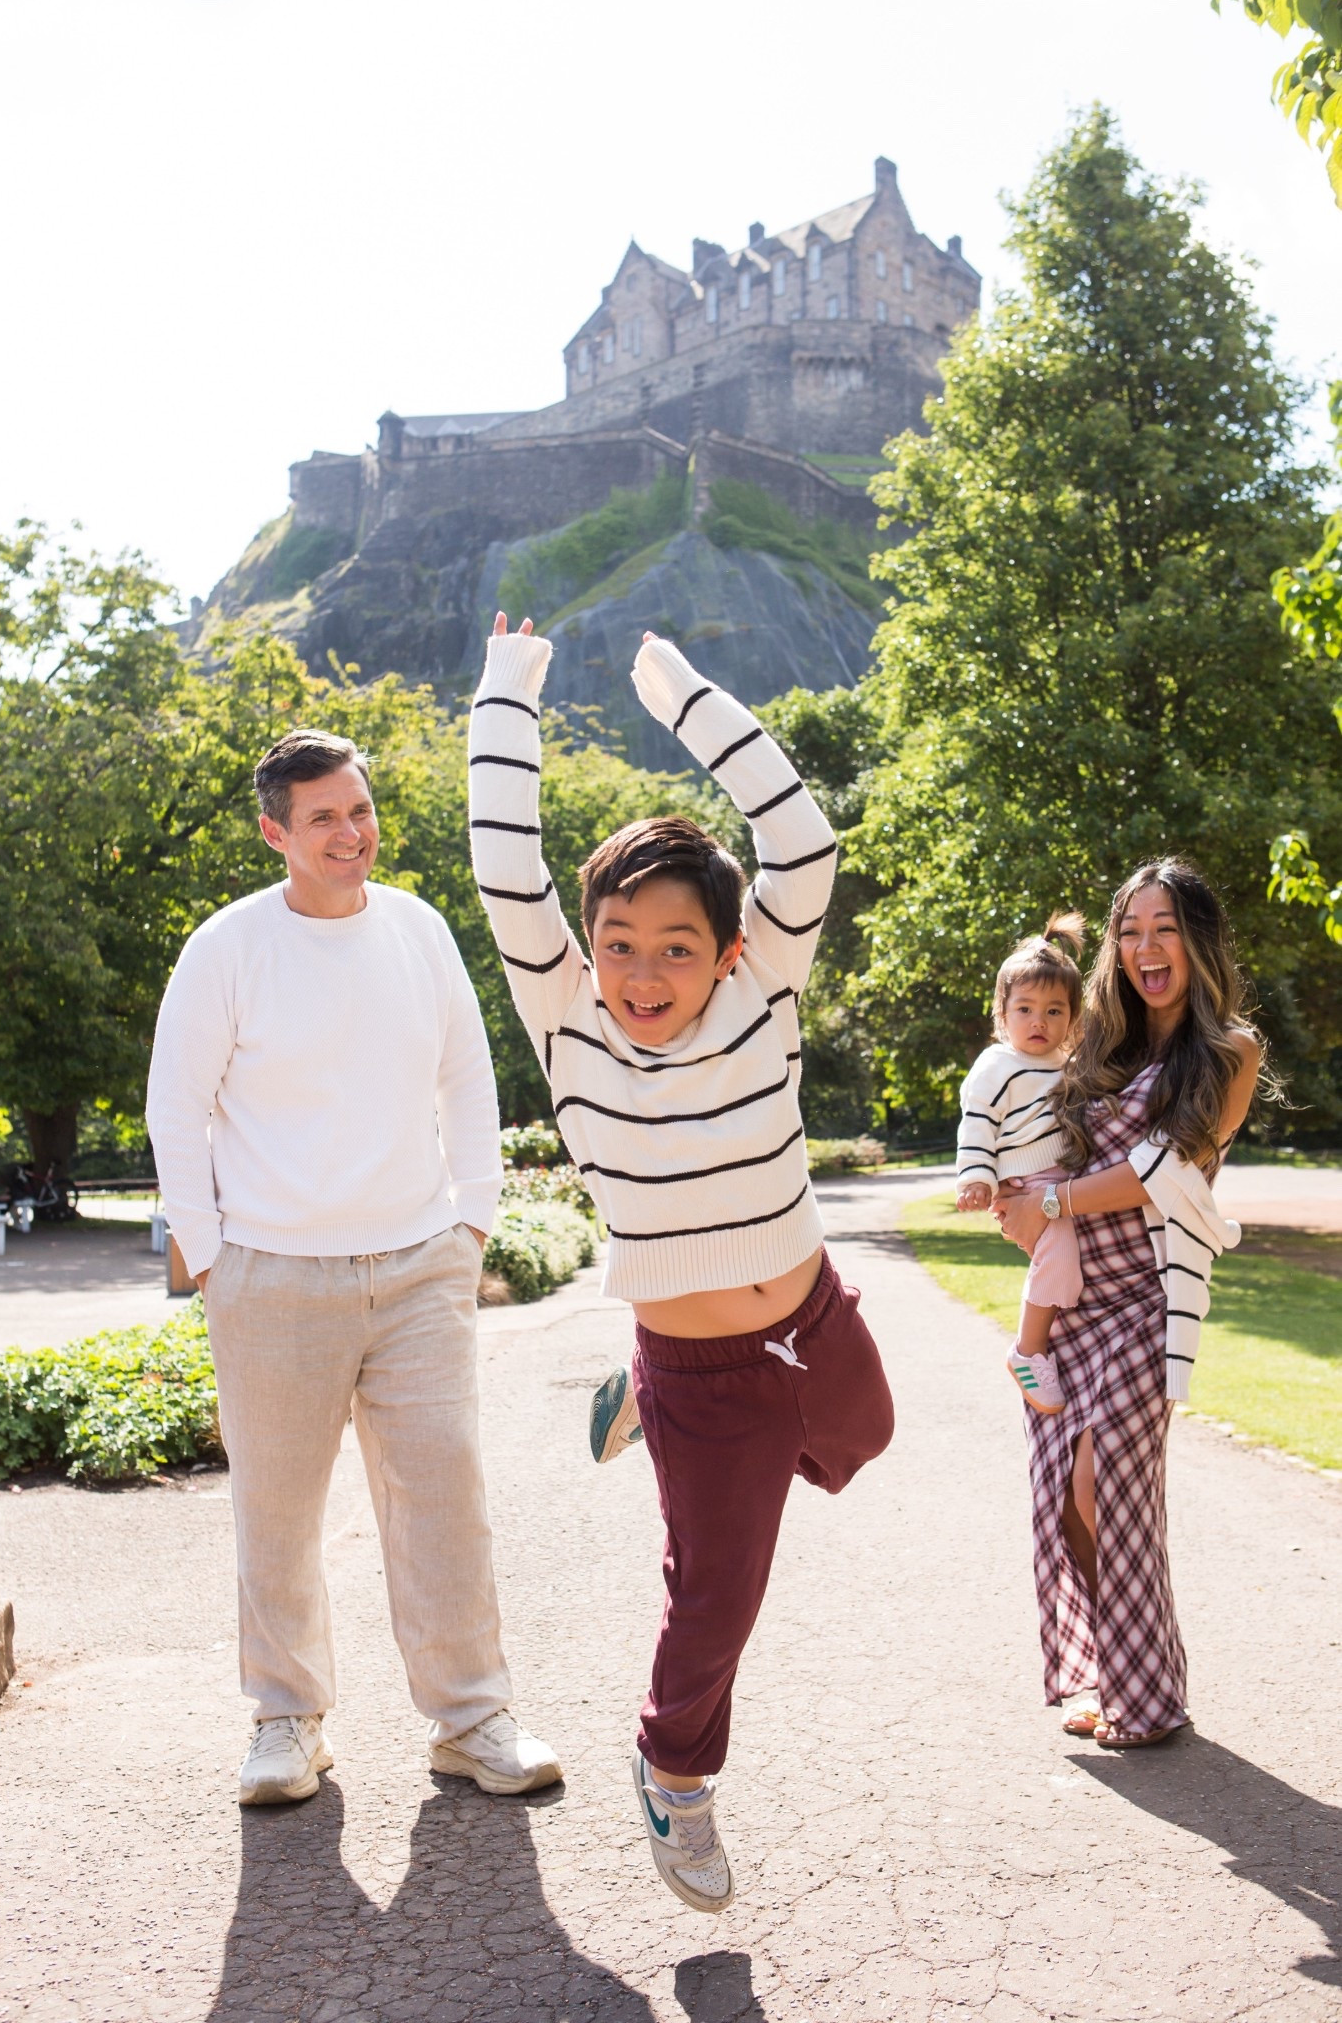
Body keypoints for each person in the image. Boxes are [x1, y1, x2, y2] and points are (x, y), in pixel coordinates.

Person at [468, 615, 894, 1913]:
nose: (644, 969)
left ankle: (632, 1418)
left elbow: (800, 839)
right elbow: (503, 870)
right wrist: (509, 688)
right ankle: (673, 1769)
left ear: (728, 948)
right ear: (585, 949)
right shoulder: (566, 1018)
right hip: (701, 1363)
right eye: (619, 942)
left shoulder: (767, 987)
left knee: (866, 1435)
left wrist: (676, 688)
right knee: (718, 1593)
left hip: (813, 1314)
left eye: (675, 944)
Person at [146, 728, 560, 1807]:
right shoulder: (226, 948)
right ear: (276, 830)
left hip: (420, 1266)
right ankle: (286, 1721)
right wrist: (212, 1258)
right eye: (323, 815)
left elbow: (469, 1082)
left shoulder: (419, 931)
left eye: (361, 808)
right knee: (276, 1514)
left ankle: (472, 1719)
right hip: (272, 1275)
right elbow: (175, 1108)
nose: (351, 830)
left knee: (445, 1503)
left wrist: (470, 1226)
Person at [993, 857, 1265, 1748]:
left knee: (1107, 1490)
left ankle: (1147, 1702)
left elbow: (1167, 1169)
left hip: (1146, 1301)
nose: (1146, 946)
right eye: (1130, 929)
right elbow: (1035, 1127)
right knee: (1061, 1501)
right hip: (1073, 1301)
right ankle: (1115, 1678)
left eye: (1164, 928)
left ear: (1196, 942)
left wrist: (1053, 1201)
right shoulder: (1097, 1042)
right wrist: (1011, 1193)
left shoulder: (1228, 1051)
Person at [955, 916, 1086, 1416]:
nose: (1039, 1022)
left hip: (1061, 1179)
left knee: (1068, 1254)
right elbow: (977, 1123)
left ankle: (1052, 1336)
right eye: (1025, 1009)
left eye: (1054, 1011)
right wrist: (975, 1179)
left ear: (1072, 1017)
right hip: (1025, 1181)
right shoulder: (998, 1065)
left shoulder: (1068, 1067)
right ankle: (1028, 1351)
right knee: (1059, 1250)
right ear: (1002, 1013)